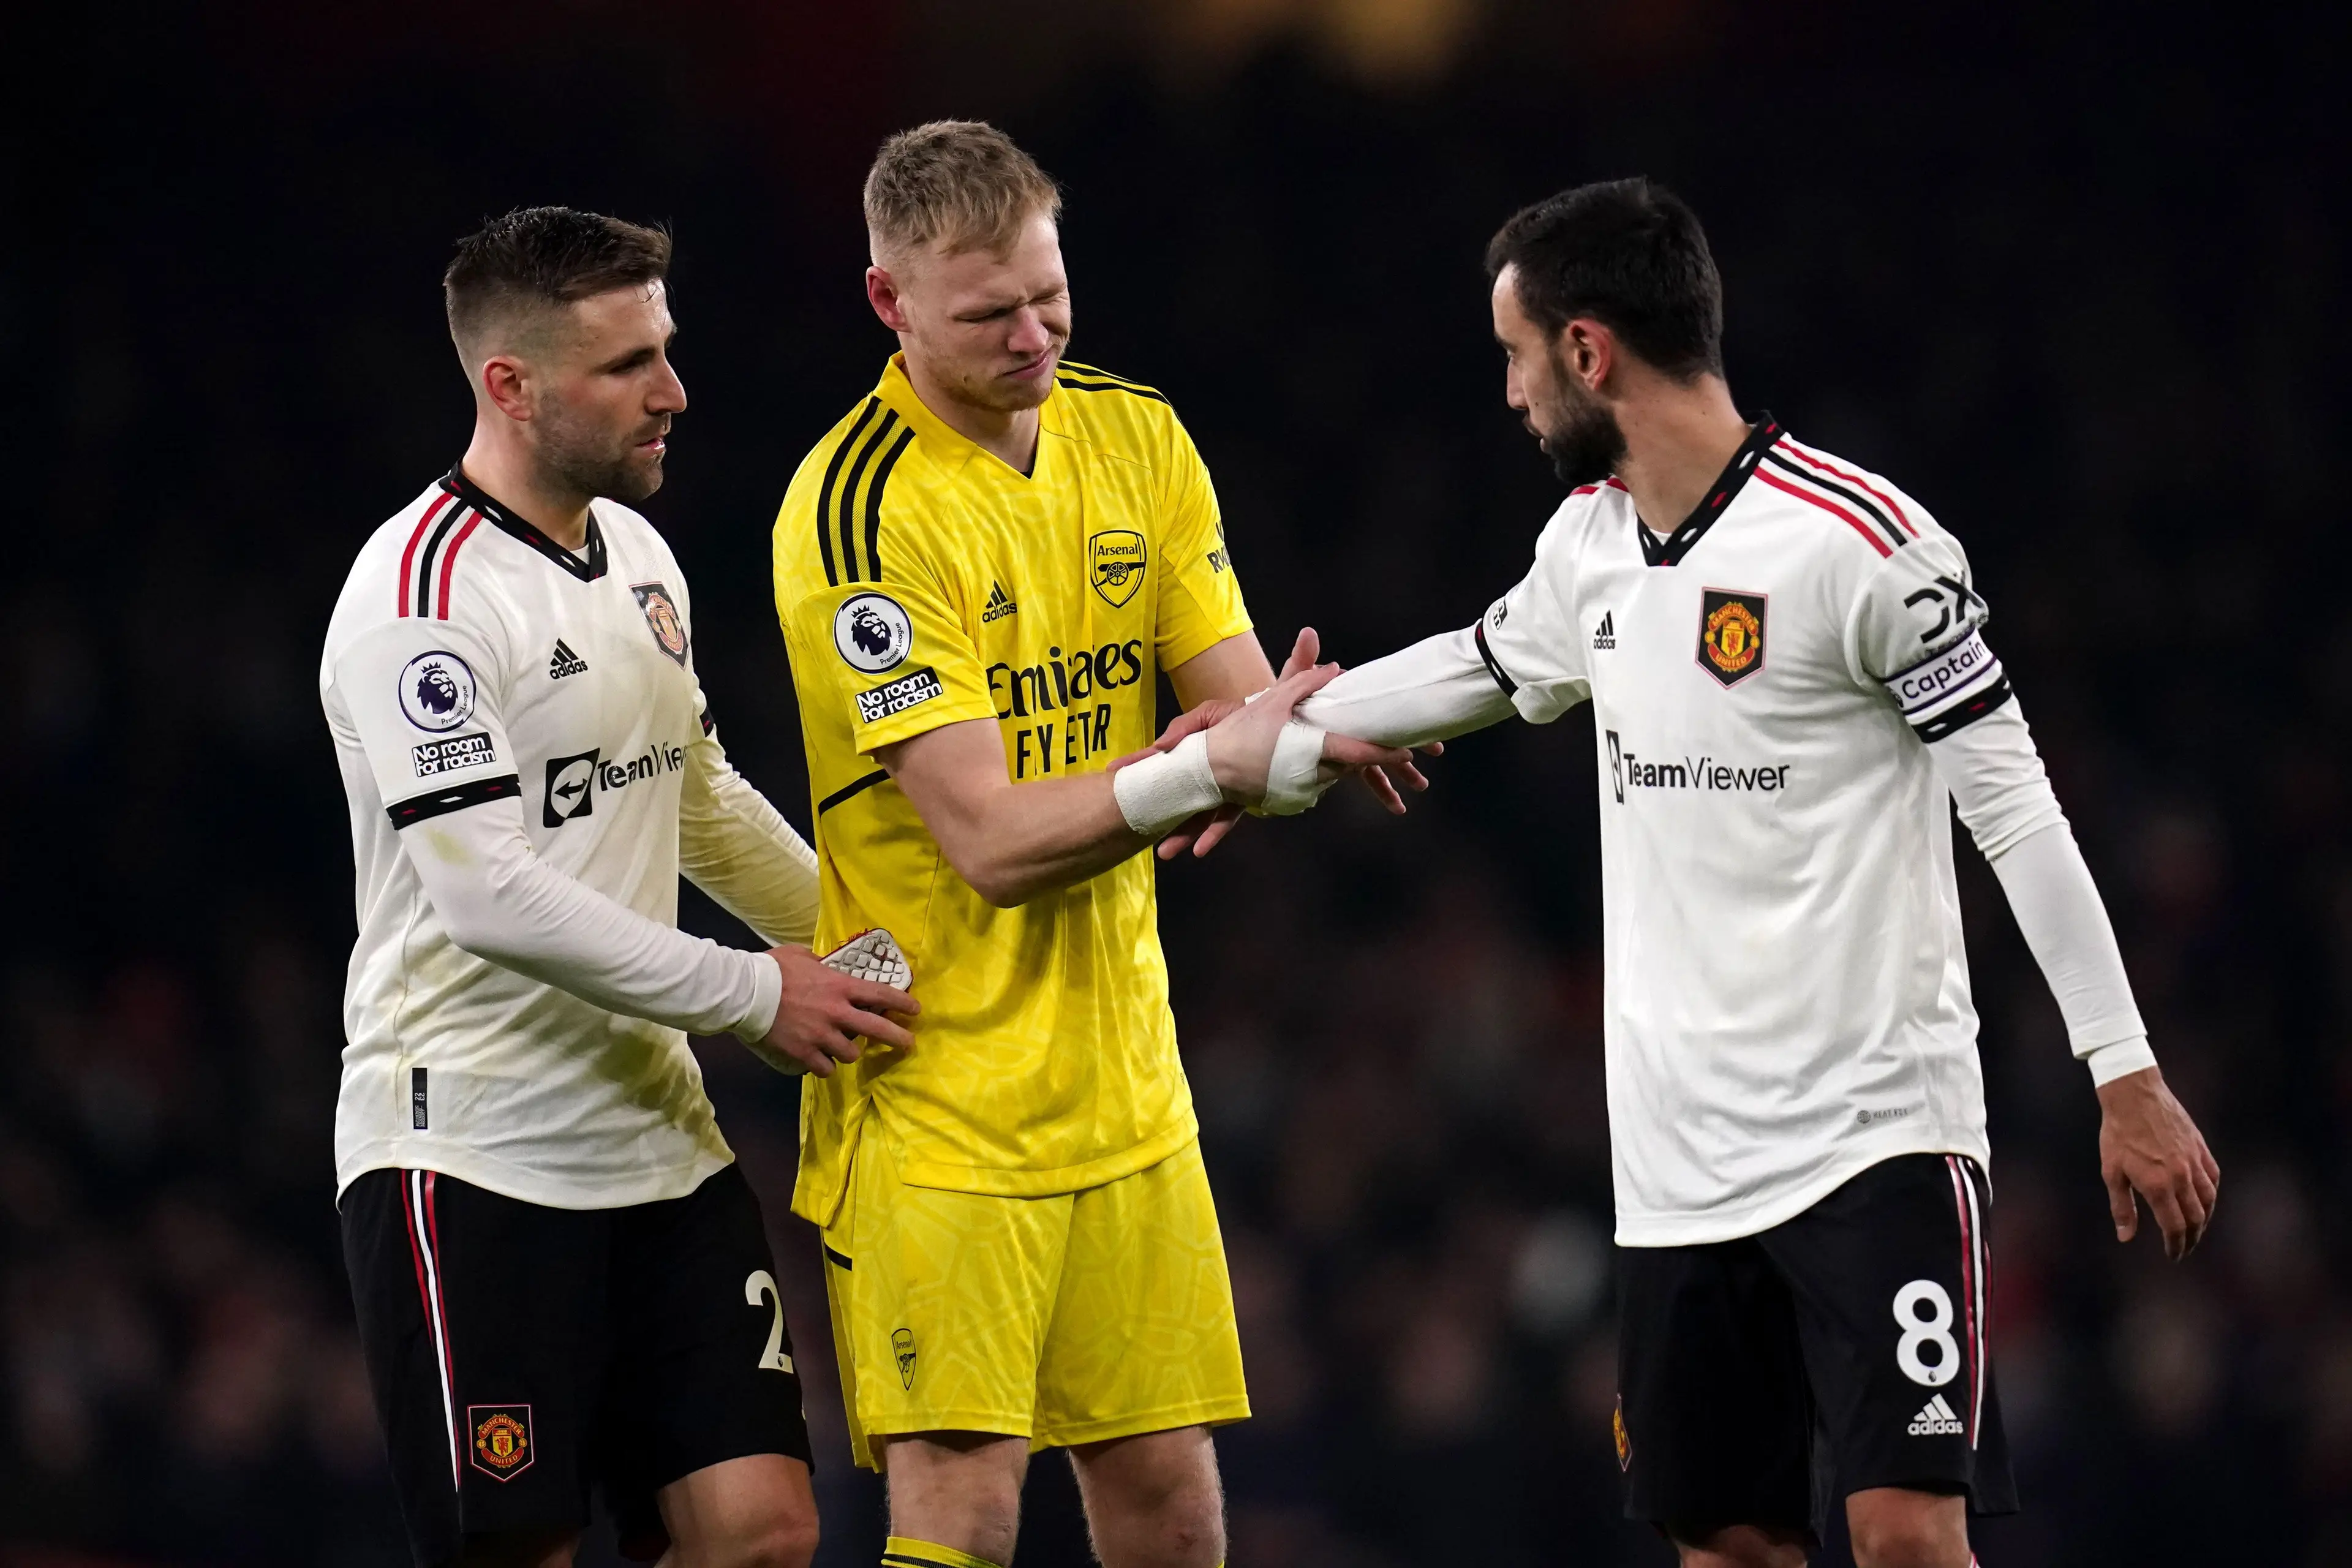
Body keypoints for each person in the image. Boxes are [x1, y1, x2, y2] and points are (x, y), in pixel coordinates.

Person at [1161, 178, 2220, 1568]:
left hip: (1873, 1136)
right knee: (1724, 1542)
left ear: (1588, 351)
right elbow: (1478, 664)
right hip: (1677, 1166)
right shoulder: (1588, 547)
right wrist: (1265, 732)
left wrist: (2123, 1067)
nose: (1510, 395)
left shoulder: (1870, 546)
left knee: (1905, 1529)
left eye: (1516, 357)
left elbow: (2017, 812)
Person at [767, 122, 1419, 1568]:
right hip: (938, 1091)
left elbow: (1240, 709)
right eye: (988, 310)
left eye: (1051, 294)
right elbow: (990, 839)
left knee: (1171, 1509)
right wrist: (1206, 771)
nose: (1034, 332)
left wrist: (1315, 738)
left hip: (1127, 1084)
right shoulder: (860, 515)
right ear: (891, 303)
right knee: (961, 1510)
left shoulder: (1135, 433)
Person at [320, 206, 916, 1568]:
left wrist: (886, 934)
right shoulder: (420, 599)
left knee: (766, 1530)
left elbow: (693, 791)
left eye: (667, 348)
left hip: (658, 1140)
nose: (673, 391)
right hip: (471, 1148)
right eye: (627, 365)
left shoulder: (640, 558)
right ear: (509, 386)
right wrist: (754, 990)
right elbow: (487, 892)